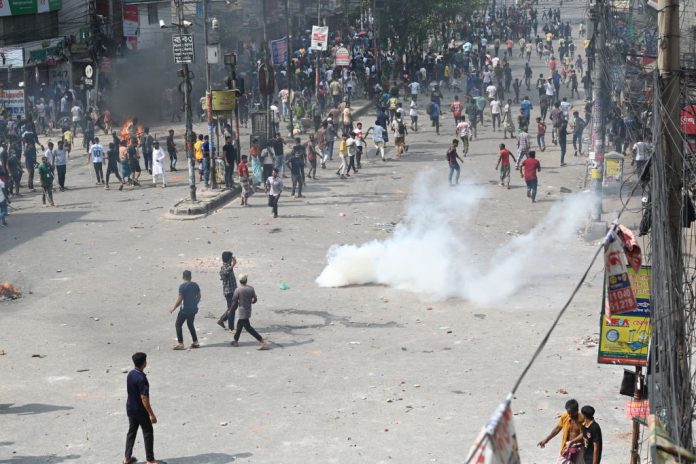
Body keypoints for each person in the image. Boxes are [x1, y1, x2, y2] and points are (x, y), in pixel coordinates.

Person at [124, 352, 160, 464]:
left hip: (130, 408)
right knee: (148, 432)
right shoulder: (142, 378)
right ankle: (150, 460)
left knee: (131, 432)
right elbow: (144, 398)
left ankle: (127, 458)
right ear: (144, 363)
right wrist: (151, 414)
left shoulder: (130, 374)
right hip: (140, 411)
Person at [538, 399, 584, 464]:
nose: (570, 415)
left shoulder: (582, 419)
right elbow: (557, 428)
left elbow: (584, 434)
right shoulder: (565, 416)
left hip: (579, 448)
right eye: (569, 413)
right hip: (566, 447)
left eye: (572, 413)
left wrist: (573, 442)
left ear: (577, 410)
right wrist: (546, 439)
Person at [230, 274, 267, 349]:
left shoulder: (238, 290)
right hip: (248, 310)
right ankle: (235, 340)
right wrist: (251, 302)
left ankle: (261, 341)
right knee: (239, 325)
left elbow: (234, 302)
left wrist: (230, 311)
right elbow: (255, 299)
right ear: (246, 280)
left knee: (248, 328)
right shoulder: (251, 288)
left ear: (239, 281)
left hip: (242, 311)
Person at [169, 270, 201, 350]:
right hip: (193, 309)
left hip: (185, 310)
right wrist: (195, 304)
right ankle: (195, 342)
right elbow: (199, 296)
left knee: (178, 325)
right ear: (191, 277)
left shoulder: (182, 287)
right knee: (190, 324)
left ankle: (180, 343)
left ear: (183, 277)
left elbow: (180, 300)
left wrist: (173, 308)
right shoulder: (195, 285)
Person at [216, 251, 238, 330]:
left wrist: (232, 265)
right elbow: (225, 272)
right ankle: (230, 326)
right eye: (231, 258)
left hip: (232, 291)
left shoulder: (228, 265)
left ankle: (222, 320)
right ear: (229, 259)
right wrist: (233, 264)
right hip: (229, 292)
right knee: (232, 309)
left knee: (232, 308)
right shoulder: (224, 267)